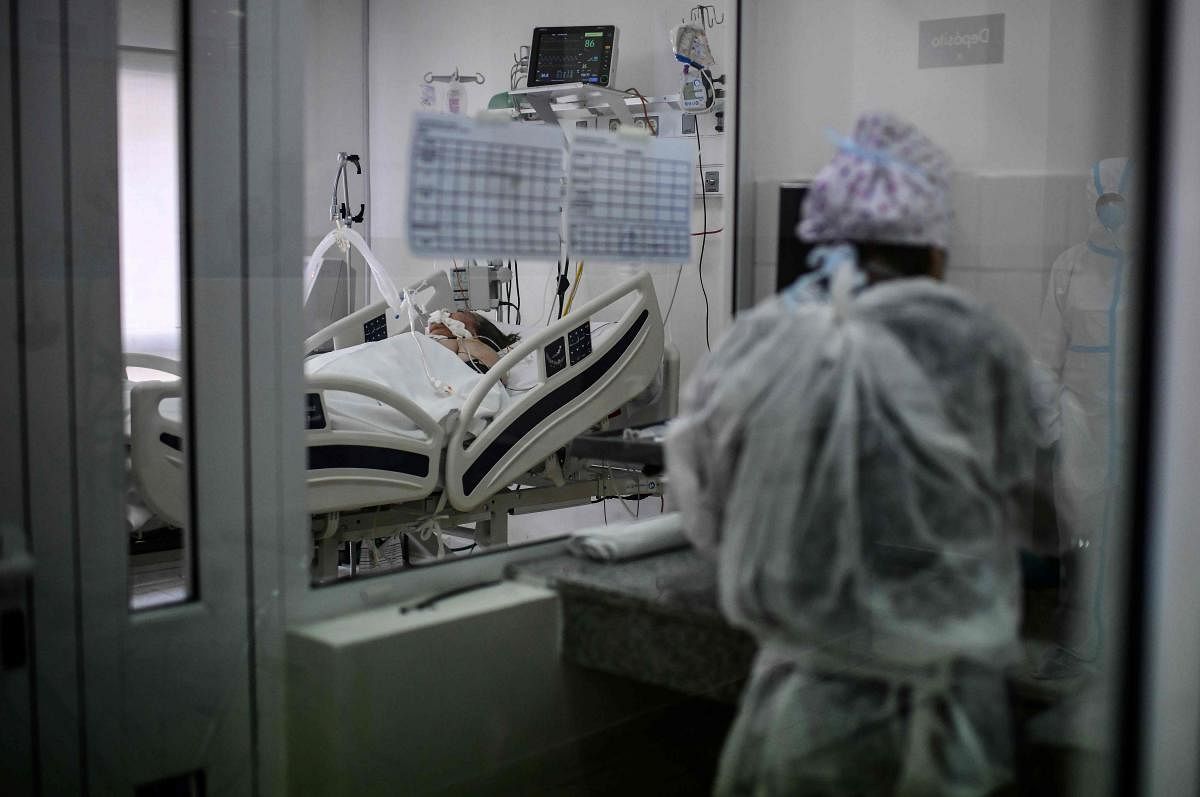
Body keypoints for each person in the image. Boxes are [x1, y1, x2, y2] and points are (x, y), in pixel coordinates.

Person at [666, 112, 1041, 795]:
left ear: (824, 244)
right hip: (946, 724)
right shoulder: (980, 347)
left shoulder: (757, 345)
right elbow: (1045, 520)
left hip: (797, 719)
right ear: (934, 251)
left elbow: (706, 507)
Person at [1032, 158, 1133, 679]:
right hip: (1082, 426)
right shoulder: (1069, 268)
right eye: (1105, 204)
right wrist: (1054, 427)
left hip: (1137, 428)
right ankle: (1076, 645)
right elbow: (1047, 356)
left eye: (1120, 203)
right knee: (1083, 540)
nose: (1112, 215)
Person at [426, 309, 520, 373]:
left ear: (473, 331)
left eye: (460, 312)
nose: (442, 315)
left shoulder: (469, 346)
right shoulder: (419, 340)